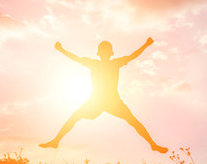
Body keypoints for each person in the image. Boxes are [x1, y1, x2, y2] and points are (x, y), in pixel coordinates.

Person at [39, 37, 168, 154]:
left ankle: (153, 145)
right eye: (103, 50)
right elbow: (75, 58)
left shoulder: (114, 63)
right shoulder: (95, 63)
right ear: (99, 53)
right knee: (75, 116)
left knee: (133, 122)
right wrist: (61, 49)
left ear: (110, 53)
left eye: (107, 51)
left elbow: (133, 56)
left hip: (112, 101)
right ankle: (56, 141)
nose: (105, 53)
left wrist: (146, 45)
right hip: (97, 101)